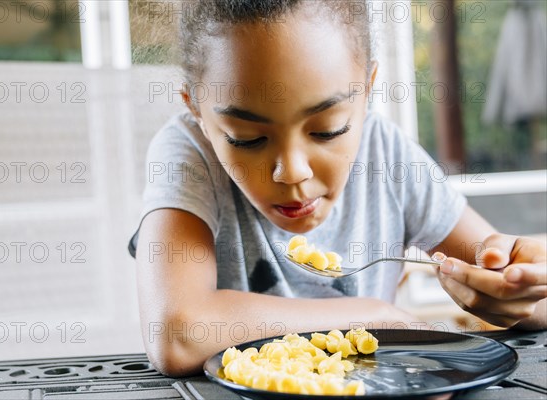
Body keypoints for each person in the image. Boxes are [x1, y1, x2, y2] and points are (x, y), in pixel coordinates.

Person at [131, 0, 547, 377]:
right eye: (246, 138)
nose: (292, 172)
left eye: (329, 130)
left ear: (367, 90)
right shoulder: (187, 155)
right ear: (196, 110)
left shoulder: (387, 154)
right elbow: (177, 333)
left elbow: (522, 288)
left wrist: (520, 289)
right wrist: (376, 316)